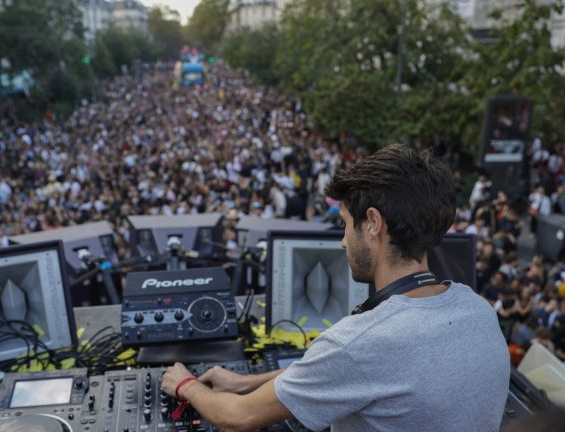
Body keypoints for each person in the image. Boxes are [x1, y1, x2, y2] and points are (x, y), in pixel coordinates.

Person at [161, 144, 511, 431]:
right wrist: (245, 382)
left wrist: (185, 385)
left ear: (372, 223)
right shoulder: (478, 310)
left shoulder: (361, 343)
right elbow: (370, 373)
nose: (343, 241)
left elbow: (238, 417)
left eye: (345, 224)